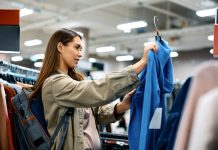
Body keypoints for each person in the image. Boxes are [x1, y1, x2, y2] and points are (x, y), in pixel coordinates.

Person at [31, 28, 158, 150]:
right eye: (77, 48)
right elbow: (97, 89)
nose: (80, 54)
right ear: (60, 47)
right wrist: (141, 63)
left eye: (81, 49)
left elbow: (94, 115)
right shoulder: (55, 83)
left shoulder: (74, 81)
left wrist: (122, 106)